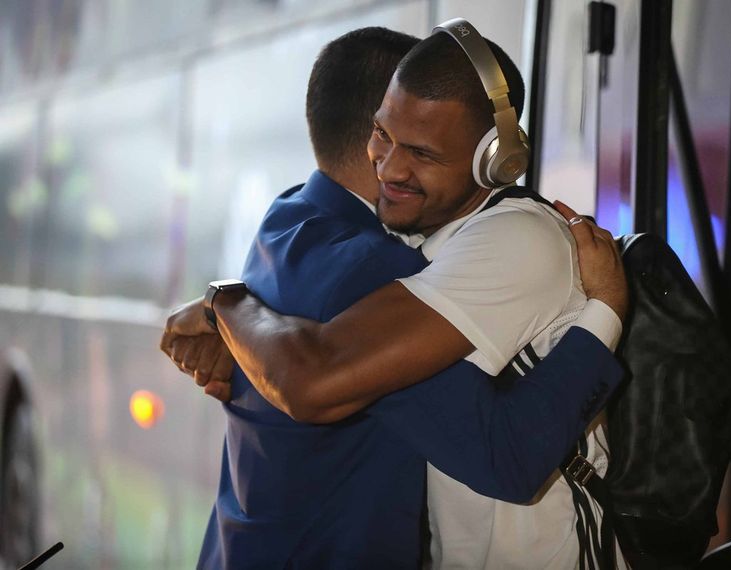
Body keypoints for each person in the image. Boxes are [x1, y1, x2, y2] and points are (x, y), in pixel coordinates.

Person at [163, 26, 628, 569]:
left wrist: (223, 305)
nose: (390, 166)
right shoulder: (384, 254)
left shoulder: (290, 221)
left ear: (495, 159)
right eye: (385, 135)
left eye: (422, 151)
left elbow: (510, 458)